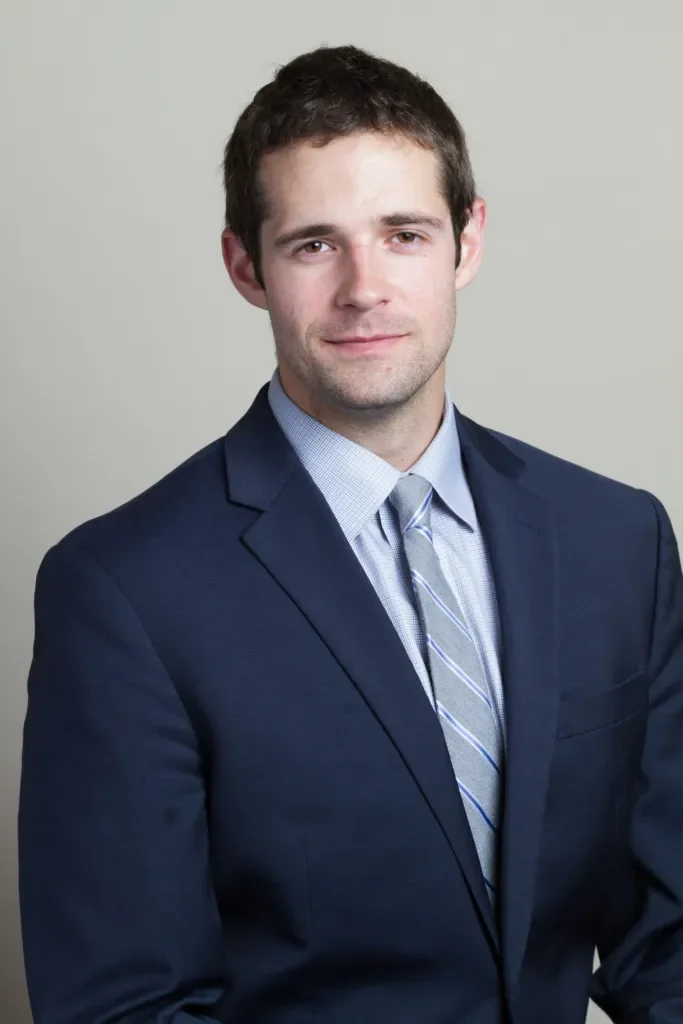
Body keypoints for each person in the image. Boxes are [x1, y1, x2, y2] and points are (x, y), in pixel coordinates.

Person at [18, 42, 683, 1024]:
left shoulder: (613, 540)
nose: (363, 288)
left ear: (467, 241)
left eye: (403, 234)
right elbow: (128, 1007)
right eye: (313, 243)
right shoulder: (122, 591)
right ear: (245, 265)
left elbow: (664, 951)